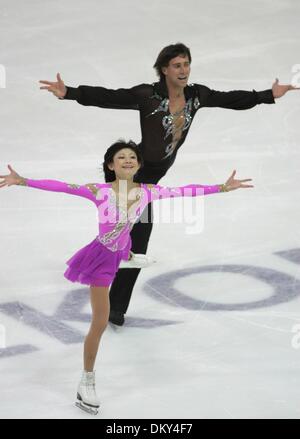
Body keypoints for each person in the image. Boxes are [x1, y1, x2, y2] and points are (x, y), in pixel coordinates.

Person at [39, 43, 298, 326]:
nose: (184, 70)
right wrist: (70, 93)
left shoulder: (196, 96)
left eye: (186, 64)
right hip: (132, 177)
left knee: (132, 242)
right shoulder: (148, 95)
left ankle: (110, 288)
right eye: (177, 65)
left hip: (151, 179)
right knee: (136, 241)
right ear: (164, 69)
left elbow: (230, 99)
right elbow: (111, 97)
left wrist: (267, 95)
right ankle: (112, 302)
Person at [0, 140, 252, 414]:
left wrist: (222, 187)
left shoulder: (147, 192)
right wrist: (23, 181)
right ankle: (86, 381)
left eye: (132, 156)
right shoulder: (99, 191)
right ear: (111, 165)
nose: (128, 160)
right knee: (99, 324)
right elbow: (61, 186)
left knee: (126, 240)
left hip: (119, 249)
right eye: (121, 157)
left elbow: (184, 191)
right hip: (100, 260)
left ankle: (128, 257)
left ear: (139, 164)